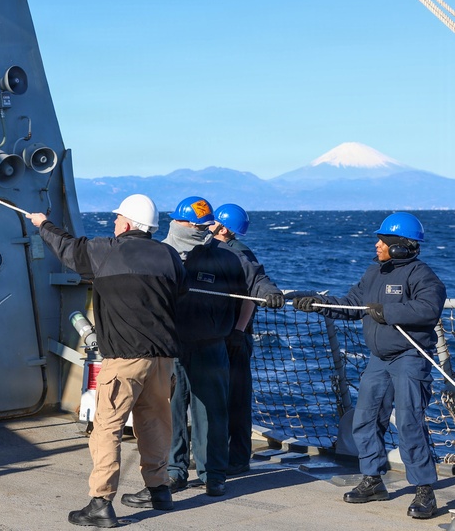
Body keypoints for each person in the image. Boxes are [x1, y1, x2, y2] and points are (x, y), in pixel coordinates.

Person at [27, 193, 188, 527]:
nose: (114, 223)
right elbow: (180, 294)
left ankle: (100, 503)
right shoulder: (170, 256)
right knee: (155, 423)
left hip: (125, 359)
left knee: (106, 429)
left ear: (127, 224)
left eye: (117, 218)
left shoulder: (107, 251)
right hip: (163, 359)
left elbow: (69, 249)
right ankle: (159, 491)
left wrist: (43, 224)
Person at [295, 212, 446, 520]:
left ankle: (424, 490)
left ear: (401, 247)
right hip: (379, 359)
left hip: (409, 359)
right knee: (364, 418)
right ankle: (373, 479)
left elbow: (429, 308)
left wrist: (387, 311)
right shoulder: (373, 272)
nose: (377, 245)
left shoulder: (422, 275)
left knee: (408, 423)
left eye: (383, 240)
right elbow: (352, 305)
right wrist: (315, 303)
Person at [162, 196, 283, 497]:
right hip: (174, 346)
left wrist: (269, 293)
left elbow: (255, 281)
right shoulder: (164, 255)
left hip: (211, 344)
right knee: (173, 411)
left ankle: (213, 474)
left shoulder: (228, 257)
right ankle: (174, 471)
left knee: (211, 413)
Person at [209, 203, 284, 475]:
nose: (209, 224)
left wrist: (239, 331)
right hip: (216, 335)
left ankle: (238, 458)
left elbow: (257, 284)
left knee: (237, 400)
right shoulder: (209, 250)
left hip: (234, 336)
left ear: (223, 228)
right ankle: (216, 454)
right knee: (219, 399)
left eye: (214, 220)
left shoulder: (240, 255)